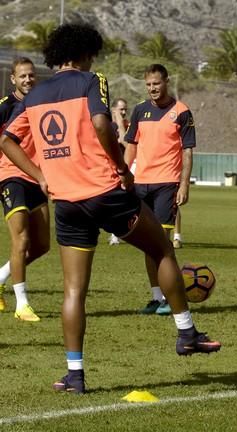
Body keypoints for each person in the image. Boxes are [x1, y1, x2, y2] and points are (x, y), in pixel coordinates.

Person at [0, 23, 221, 394]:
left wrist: (41, 175)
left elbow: (7, 140)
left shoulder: (34, 95)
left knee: (73, 290)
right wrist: (121, 167)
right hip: (104, 192)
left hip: (67, 201)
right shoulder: (90, 80)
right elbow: (102, 123)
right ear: (85, 53)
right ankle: (186, 333)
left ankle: (75, 374)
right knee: (162, 249)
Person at [123, 64, 194, 316]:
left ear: (166, 82)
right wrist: (123, 172)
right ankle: (156, 297)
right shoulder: (140, 111)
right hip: (141, 184)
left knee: (163, 243)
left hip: (167, 183)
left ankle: (168, 297)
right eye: (149, 84)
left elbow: (187, 151)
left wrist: (184, 184)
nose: (153, 88)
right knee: (147, 244)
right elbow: (131, 145)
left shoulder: (182, 112)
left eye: (157, 83)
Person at [0, 57, 49, 322]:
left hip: (37, 177)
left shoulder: (41, 103)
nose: (28, 80)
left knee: (42, 245)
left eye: (31, 75)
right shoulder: (5, 107)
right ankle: (22, 305)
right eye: (22, 76)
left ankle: (1, 277)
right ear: (13, 79)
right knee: (21, 240)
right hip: (11, 177)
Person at [108, 97, 129, 246]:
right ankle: (115, 233)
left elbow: (126, 142)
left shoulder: (128, 126)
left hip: (125, 169)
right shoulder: (107, 126)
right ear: (113, 110)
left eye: (125, 109)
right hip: (110, 169)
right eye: (121, 109)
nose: (123, 112)